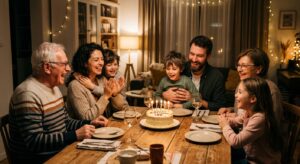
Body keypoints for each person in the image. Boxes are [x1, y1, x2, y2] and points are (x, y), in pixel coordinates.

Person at [9, 42, 108, 163]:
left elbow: (65, 122)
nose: (68, 69)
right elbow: (34, 142)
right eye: (64, 64)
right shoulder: (27, 94)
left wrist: (90, 122)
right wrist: (74, 135)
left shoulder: (54, 88)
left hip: (61, 153)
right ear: (47, 67)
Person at [218, 77, 283, 163]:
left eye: (240, 92)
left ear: (252, 99)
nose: (235, 95)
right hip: (249, 156)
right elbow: (236, 121)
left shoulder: (259, 118)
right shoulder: (249, 112)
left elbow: (236, 142)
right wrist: (225, 119)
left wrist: (225, 125)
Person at [218, 48, 283, 125]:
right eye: (238, 65)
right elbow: (244, 112)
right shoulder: (242, 84)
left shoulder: (270, 89)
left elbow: (273, 123)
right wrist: (230, 109)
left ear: (258, 69)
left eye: (244, 66)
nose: (239, 69)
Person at [162, 35, 226, 111]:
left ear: (208, 56)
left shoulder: (216, 77)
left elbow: (220, 105)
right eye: (192, 54)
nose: (194, 59)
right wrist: (164, 94)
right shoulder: (180, 69)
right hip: (178, 114)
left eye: (199, 56)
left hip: (203, 117)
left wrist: (196, 100)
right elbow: (161, 89)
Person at [66, 43, 126, 120]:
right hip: (89, 131)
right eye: (96, 60)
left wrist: (115, 94)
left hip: (106, 127)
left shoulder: (102, 79)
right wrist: (105, 96)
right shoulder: (75, 86)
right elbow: (87, 118)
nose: (101, 63)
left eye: (102, 59)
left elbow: (119, 108)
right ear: (85, 63)